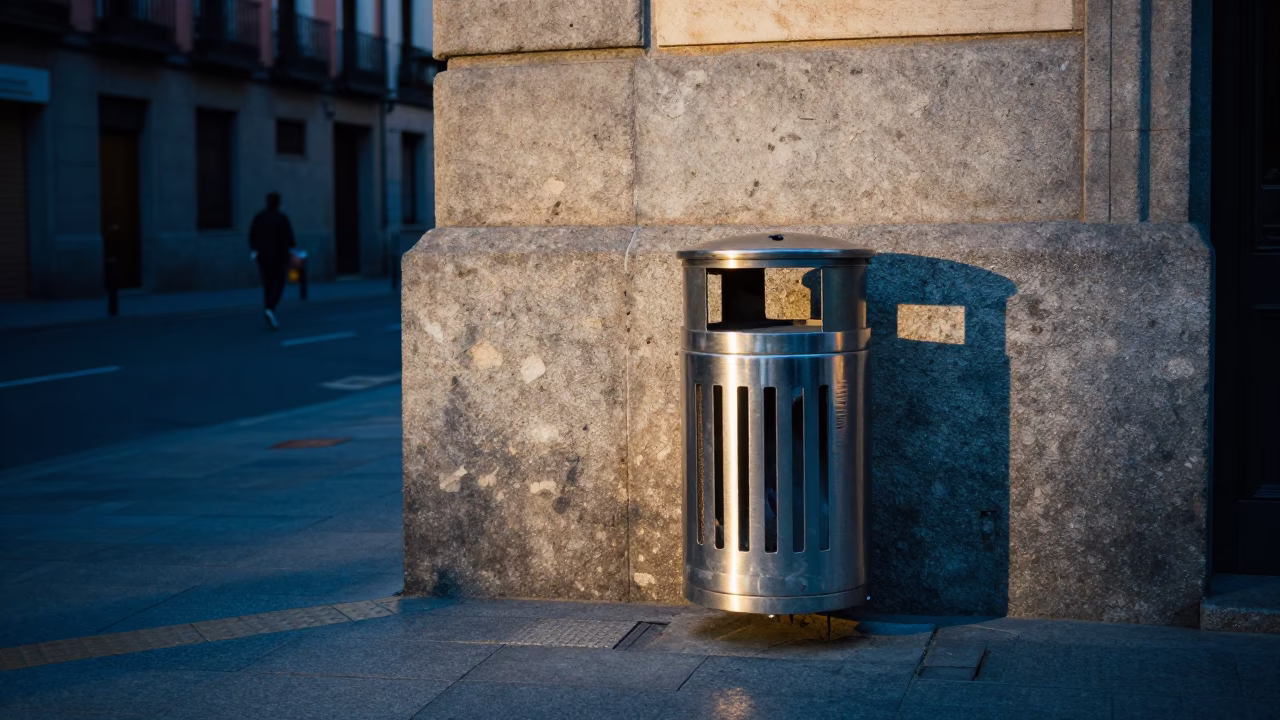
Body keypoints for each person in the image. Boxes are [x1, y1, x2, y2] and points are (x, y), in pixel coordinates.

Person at [249, 192, 296, 329]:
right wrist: (292, 249)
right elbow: (289, 237)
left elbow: (252, 235)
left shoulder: (259, 217)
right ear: (278, 203)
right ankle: (270, 307)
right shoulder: (281, 218)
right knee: (279, 282)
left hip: (263, 256)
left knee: (268, 283)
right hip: (279, 257)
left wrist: (255, 250)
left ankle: (268, 308)